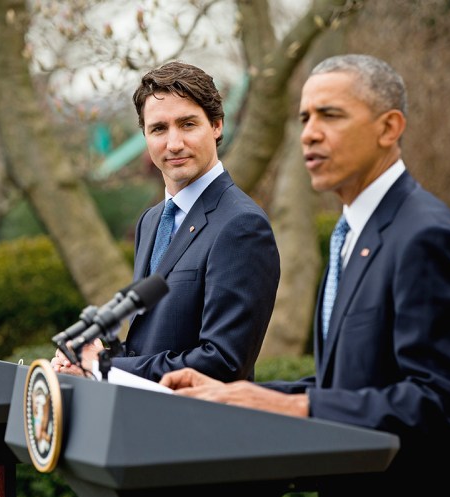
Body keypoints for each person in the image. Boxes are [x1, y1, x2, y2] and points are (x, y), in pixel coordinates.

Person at [160, 54, 450, 497]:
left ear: (389, 128)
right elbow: (349, 386)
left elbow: (438, 405)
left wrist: (293, 406)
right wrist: (240, 396)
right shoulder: (349, 235)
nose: (309, 133)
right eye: (304, 118)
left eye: (330, 115)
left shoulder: (425, 236)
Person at [52, 61, 280, 382]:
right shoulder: (151, 220)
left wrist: (105, 367)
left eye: (187, 124)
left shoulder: (242, 225)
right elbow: (149, 344)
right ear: (145, 134)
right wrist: (90, 358)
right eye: (159, 129)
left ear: (216, 126)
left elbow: (224, 361)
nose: (173, 144)